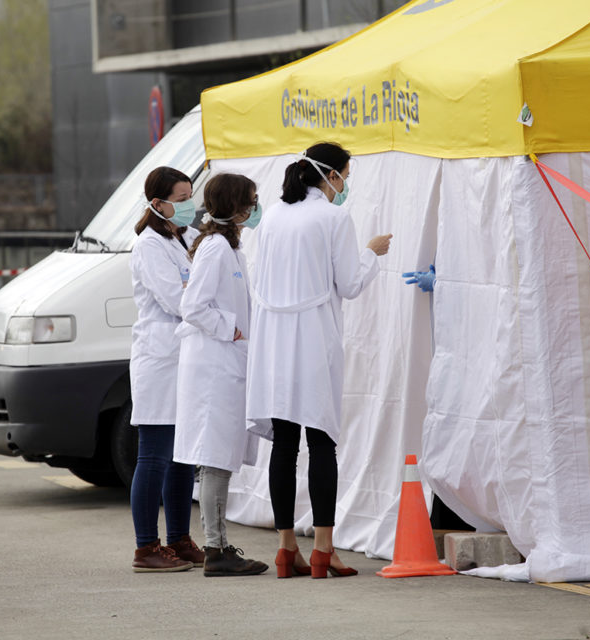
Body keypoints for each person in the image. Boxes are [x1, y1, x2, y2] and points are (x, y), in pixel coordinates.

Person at [246, 142, 392, 578]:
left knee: (286, 445)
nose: (346, 184)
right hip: (312, 338)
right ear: (330, 175)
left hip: (274, 340)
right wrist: (371, 252)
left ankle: (286, 547)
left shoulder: (272, 216)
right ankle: (324, 549)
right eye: (346, 174)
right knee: (322, 440)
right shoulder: (333, 217)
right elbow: (349, 285)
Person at [173, 173, 269, 577]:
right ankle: (216, 549)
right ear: (236, 205)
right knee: (215, 460)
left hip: (224, 365)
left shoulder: (229, 248)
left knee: (221, 458)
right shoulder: (214, 248)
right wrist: (230, 328)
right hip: (215, 366)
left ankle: (219, 544)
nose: (255, 206)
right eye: (251, 200)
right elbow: (192, 306)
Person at [127, 166, 204, 572]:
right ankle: (146, 547)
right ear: (158, 204)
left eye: (191, 195)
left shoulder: (185, 237)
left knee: (182, 457)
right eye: (181, 197)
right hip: (159, 357)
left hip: (186, 354)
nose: (189, 204)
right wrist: (202, 294)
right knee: (154, 455)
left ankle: (179, 539)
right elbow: (178, 299)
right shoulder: (149, 246)